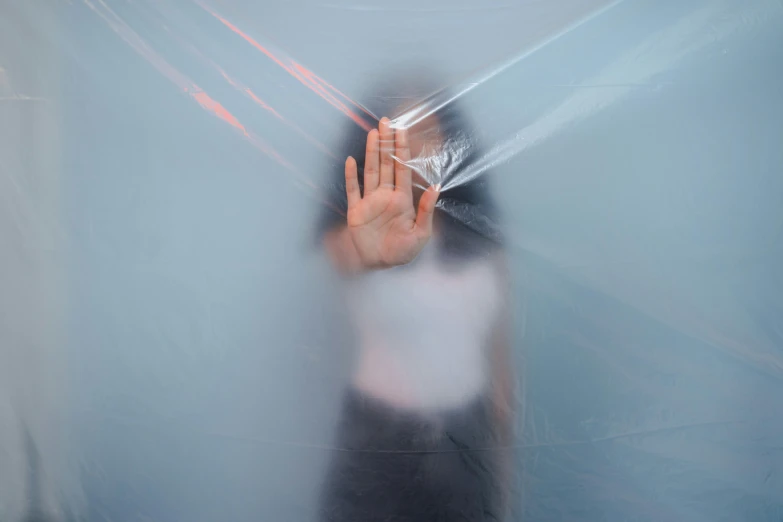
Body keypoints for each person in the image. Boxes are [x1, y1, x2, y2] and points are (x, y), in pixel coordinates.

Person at [316, 79, 517, 522]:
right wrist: (373, 251)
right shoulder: (357, 230)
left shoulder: (483, 240)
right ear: (376, 148)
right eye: (399, 136)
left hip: (469, 437)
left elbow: (498, 356)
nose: (413, 148)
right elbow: (349, 258)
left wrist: (501, 473)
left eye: (428, 131)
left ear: (451, 141)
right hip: (380, 440)